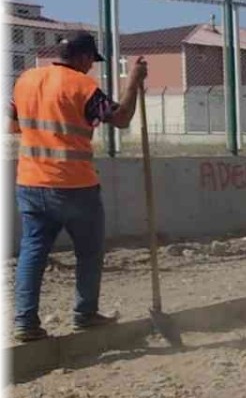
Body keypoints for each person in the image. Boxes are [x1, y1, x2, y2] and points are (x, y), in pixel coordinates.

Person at [9, 32, 148, 341]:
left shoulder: (26, 80)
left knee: (33, 252)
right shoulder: (82, 86)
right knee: (89, 252)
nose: (91, 67)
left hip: (30, 183)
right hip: (74, 186)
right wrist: (133, 82)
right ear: (83, 57)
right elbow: (122, 118)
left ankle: (25, 322)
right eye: (91, 61)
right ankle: (85, 315)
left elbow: (14, 124)